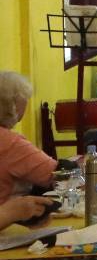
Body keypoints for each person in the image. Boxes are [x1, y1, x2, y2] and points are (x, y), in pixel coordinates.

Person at [0, 73, 57, 202]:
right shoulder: (11, 143)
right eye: (25, 98)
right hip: (10, 212)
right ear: (13, 104)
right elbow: (56, 173)